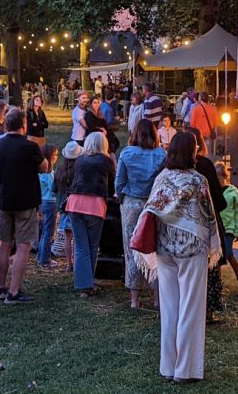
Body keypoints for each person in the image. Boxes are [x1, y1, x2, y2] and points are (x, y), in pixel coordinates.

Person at [143, 132, 221, 384]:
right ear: (192, 152)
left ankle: (168, 366)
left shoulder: (162, 178)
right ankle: (186, 370)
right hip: (192, 249)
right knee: (191, 309)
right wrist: (215, 244)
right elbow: (209, 215)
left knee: (169, 308)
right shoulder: (199, 181)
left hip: (165, 248)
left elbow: (152, 209)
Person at [0, 107, 47, 304]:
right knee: (23, 246)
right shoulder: (29, 147)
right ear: (23, 125)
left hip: (4, 199)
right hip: (25, 201)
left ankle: (1, 286)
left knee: (4, 243)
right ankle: (14, 292)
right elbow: (44, 167)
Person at [116, 119, 165, 309]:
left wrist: (122, 199)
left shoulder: (127, 153)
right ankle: (157, 298)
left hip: (132, 203)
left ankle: (135, 300)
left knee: (132, 250)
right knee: (155, 249)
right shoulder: (161, 154)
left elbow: (119, 182)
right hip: (153, 204)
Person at [185, 126, 228, 321]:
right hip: (205, 223)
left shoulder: (170, 167)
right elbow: (218, 200)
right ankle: (207, 310)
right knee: (209, 267)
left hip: (181, 226)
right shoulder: (205, 165)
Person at [66, 132, 115, 298]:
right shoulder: (106, 161)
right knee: (92, 245)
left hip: (74, 203)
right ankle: (87, 284)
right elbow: (111, 184)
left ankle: (82, 282)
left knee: (80, 245)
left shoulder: (80, 159)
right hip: (94, 204)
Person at [215, 161, 238, 286]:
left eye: (219, 177)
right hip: (216, 228)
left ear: (224, 176)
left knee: (227, 253)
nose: (217, 180)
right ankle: (218, 282)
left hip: (228, 229)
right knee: (216, 255)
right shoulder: (213, 191)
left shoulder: (232, 192)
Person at [54, 141, 81, 272]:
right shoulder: (79, 171)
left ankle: (69, 263)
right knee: (77, 237)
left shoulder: (60, 170)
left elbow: (54, 188)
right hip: (76, 207)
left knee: (67, 237)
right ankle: (76, 262)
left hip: (64, 208)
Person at [37, 144, 60, 269]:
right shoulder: (49, 173)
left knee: (44, 232)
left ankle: (41, 256)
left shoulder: (39, 171)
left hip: (42, 201)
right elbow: (53, 188)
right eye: (55, 155)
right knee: (48, 233)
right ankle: (45, 260)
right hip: (50, 202)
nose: (57, 157)